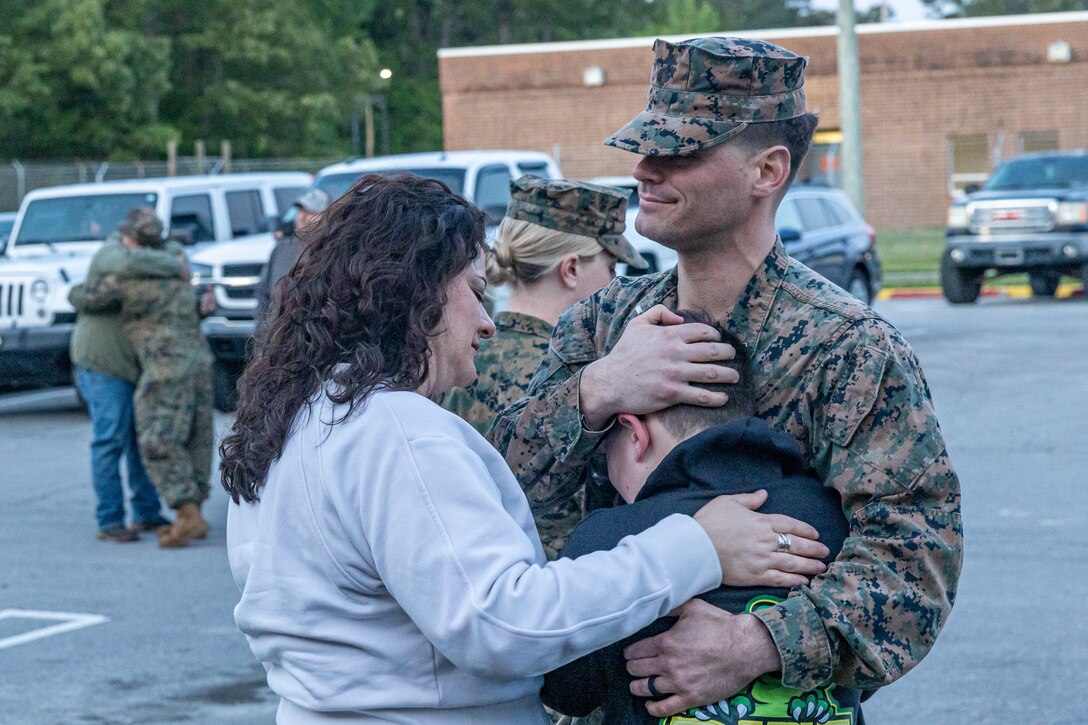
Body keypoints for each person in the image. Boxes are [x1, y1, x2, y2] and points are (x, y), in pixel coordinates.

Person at [219, 173, 831, 724]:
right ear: (416, 292)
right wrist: (697, 545)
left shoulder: (296, 420)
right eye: (473, 289)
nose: (488, 322)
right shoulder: (396, 430)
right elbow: (501, 623)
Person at [490, 37, 963, 719]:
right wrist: (598, 391)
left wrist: (757, 642)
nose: (644, 169)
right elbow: (496, 496)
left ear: (767, 170)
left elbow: (915, 564)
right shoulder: (601, 324)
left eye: (680, 151)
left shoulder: (847, 348)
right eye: (645, 147)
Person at [542, 313, 859, 725]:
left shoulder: (609, 539)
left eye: (606, 448)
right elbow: (869, 655)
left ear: (634, 433)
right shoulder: (839, 519)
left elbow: (564, 688)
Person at [444, 175, 648, 558]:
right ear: (570, 269)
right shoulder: (577, 378)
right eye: (610, 268)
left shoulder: (458, 356)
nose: (614, 284)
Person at [70, 208, 215, 549]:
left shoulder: (147, 269)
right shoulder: (116, 258)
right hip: (106, 363)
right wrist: (175, 266)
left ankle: (148, 511)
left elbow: (82, 294)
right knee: (111, 438)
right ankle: (111, 519)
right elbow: (82, 294)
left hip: (143, 364)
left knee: (145, 437)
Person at [255, 187, 330, 331]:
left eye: (309, 212)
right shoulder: (281, 250)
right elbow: (263, 293)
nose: (300, 217)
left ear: (324, 216)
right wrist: (264, 331)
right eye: (300, 211)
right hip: (277, 335)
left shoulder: (331, 251)